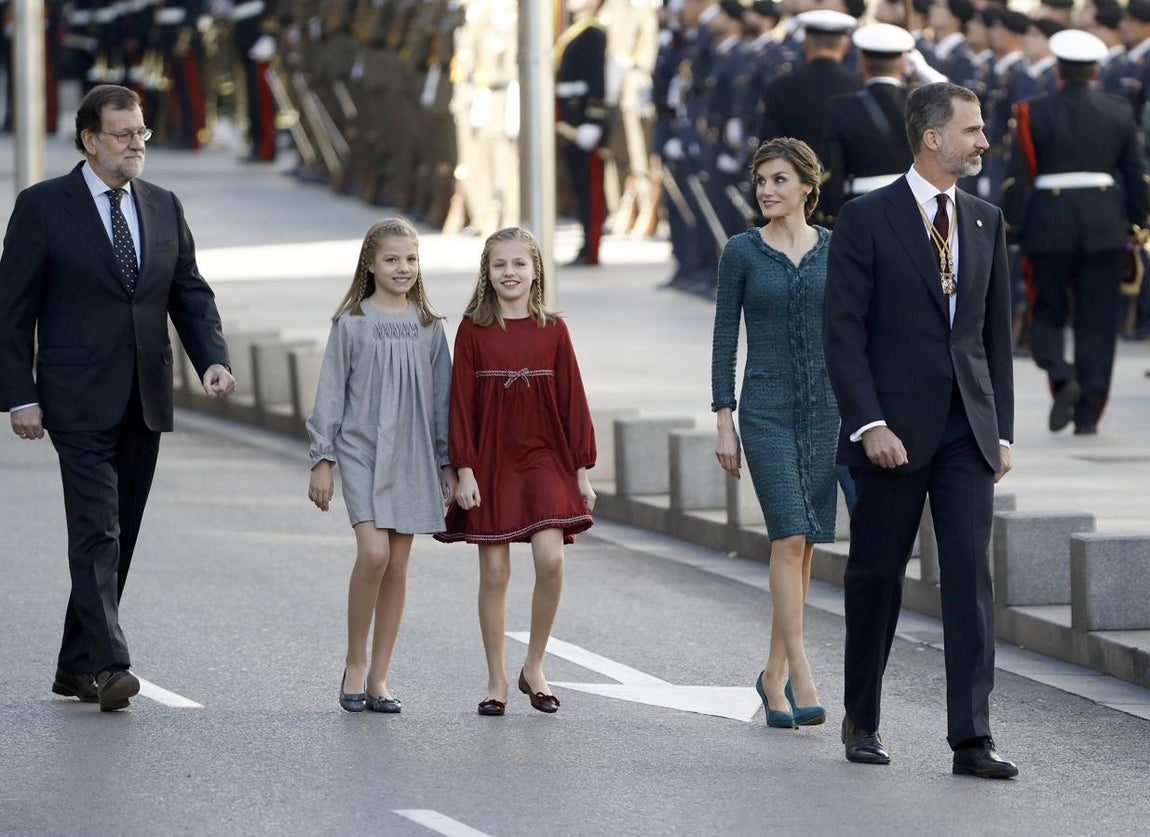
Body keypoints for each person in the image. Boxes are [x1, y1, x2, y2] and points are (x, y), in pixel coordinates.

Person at [0, 84, 235, 711]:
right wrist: (19, 395)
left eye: (142, 134)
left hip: (145, 395)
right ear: (90, 141)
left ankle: (74, 666)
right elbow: (12, 312)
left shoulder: (162, 205)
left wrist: (211, 358)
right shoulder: (43, 207)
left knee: (121, 532)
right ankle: (109, 666)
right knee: (95, 529)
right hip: (73, 398)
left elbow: (189, 291)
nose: (137, 145)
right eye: (124, 135)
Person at [825, 82, 1018, 778]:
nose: (983, 140)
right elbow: (842, 333)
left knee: (970, 578)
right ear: (932, 137)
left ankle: (972, 736)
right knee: (877, 576)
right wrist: (868, 421)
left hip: (968, 430)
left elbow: (995, 336)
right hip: (892, 432)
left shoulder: (986, 220)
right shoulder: (866, 217)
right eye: (971, 129)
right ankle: (863, 718)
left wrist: (1003, 430)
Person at [436, 227, 597, 717]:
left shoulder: (554, 329)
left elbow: (573, 400)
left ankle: (534, 666)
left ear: (536, 271)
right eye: (499, 264)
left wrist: (582, 471)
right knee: (495, 570)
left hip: (545, 455)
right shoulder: (472, 330)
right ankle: (496, 679)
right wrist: (463, 469)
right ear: (487, 272)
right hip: (489, 459)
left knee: (551, 560)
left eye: (519, 264)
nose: (510, 273)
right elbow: (459, 404)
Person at [306, 218, 457, 713]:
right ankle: (354, 660)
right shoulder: (351, 323)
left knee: (397, 564)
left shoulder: (430, 328)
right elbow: (330, 393)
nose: (403, 268)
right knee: (373, 554)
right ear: (370, 265)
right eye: (391, 259)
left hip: (412, 454)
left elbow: (442, 403)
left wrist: (447, 464)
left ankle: (380, 678)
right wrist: (322, 460)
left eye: (411, 259)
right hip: (362, 450)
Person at [712, 137, 838, 730]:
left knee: (805, 545)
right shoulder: (741, 251)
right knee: (787, 537)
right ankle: (802, 670)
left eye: (780, 180)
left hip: (825, 410)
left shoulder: (836, 251)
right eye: (762, 180)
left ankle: (771, 674)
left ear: (808, 187)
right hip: (763, 410)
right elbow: (723, 341)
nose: (767, 190)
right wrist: (724, 419)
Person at [1004, 29, 1149, 435]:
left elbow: (1019, 177)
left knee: (1046, 311)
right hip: (1104, 224)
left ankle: (1063, 376)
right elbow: (1136, 175)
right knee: (1097, 323)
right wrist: (1138, 224)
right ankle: (1087, 417)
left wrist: (1014, 225)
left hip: (1049, 224)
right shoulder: (1119, 110)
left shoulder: (1033, 111)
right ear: (1096, 69)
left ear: (1058, 69)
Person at [555, 0, 610, 267]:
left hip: (583, 122)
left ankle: (592, 247)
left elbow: (597, 80)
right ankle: (585, 243)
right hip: (570, 122)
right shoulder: (574, 30)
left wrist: (593, 120)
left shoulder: (593, 33)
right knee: (579, 186)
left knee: (591, 188)